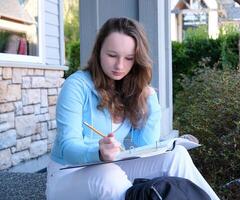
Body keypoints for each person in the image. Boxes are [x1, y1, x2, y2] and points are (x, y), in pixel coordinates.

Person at [46, 17, 220, 200]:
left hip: (113, 166)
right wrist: (98, 152)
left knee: (177, 156)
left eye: (129, 58)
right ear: (98, 51)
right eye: (112, 55)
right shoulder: (77, 85)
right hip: (67, 174)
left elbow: (145, 146)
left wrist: (150, 97)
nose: (120, 66)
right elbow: (67, 147)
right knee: (110, 176)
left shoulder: (129, 88)